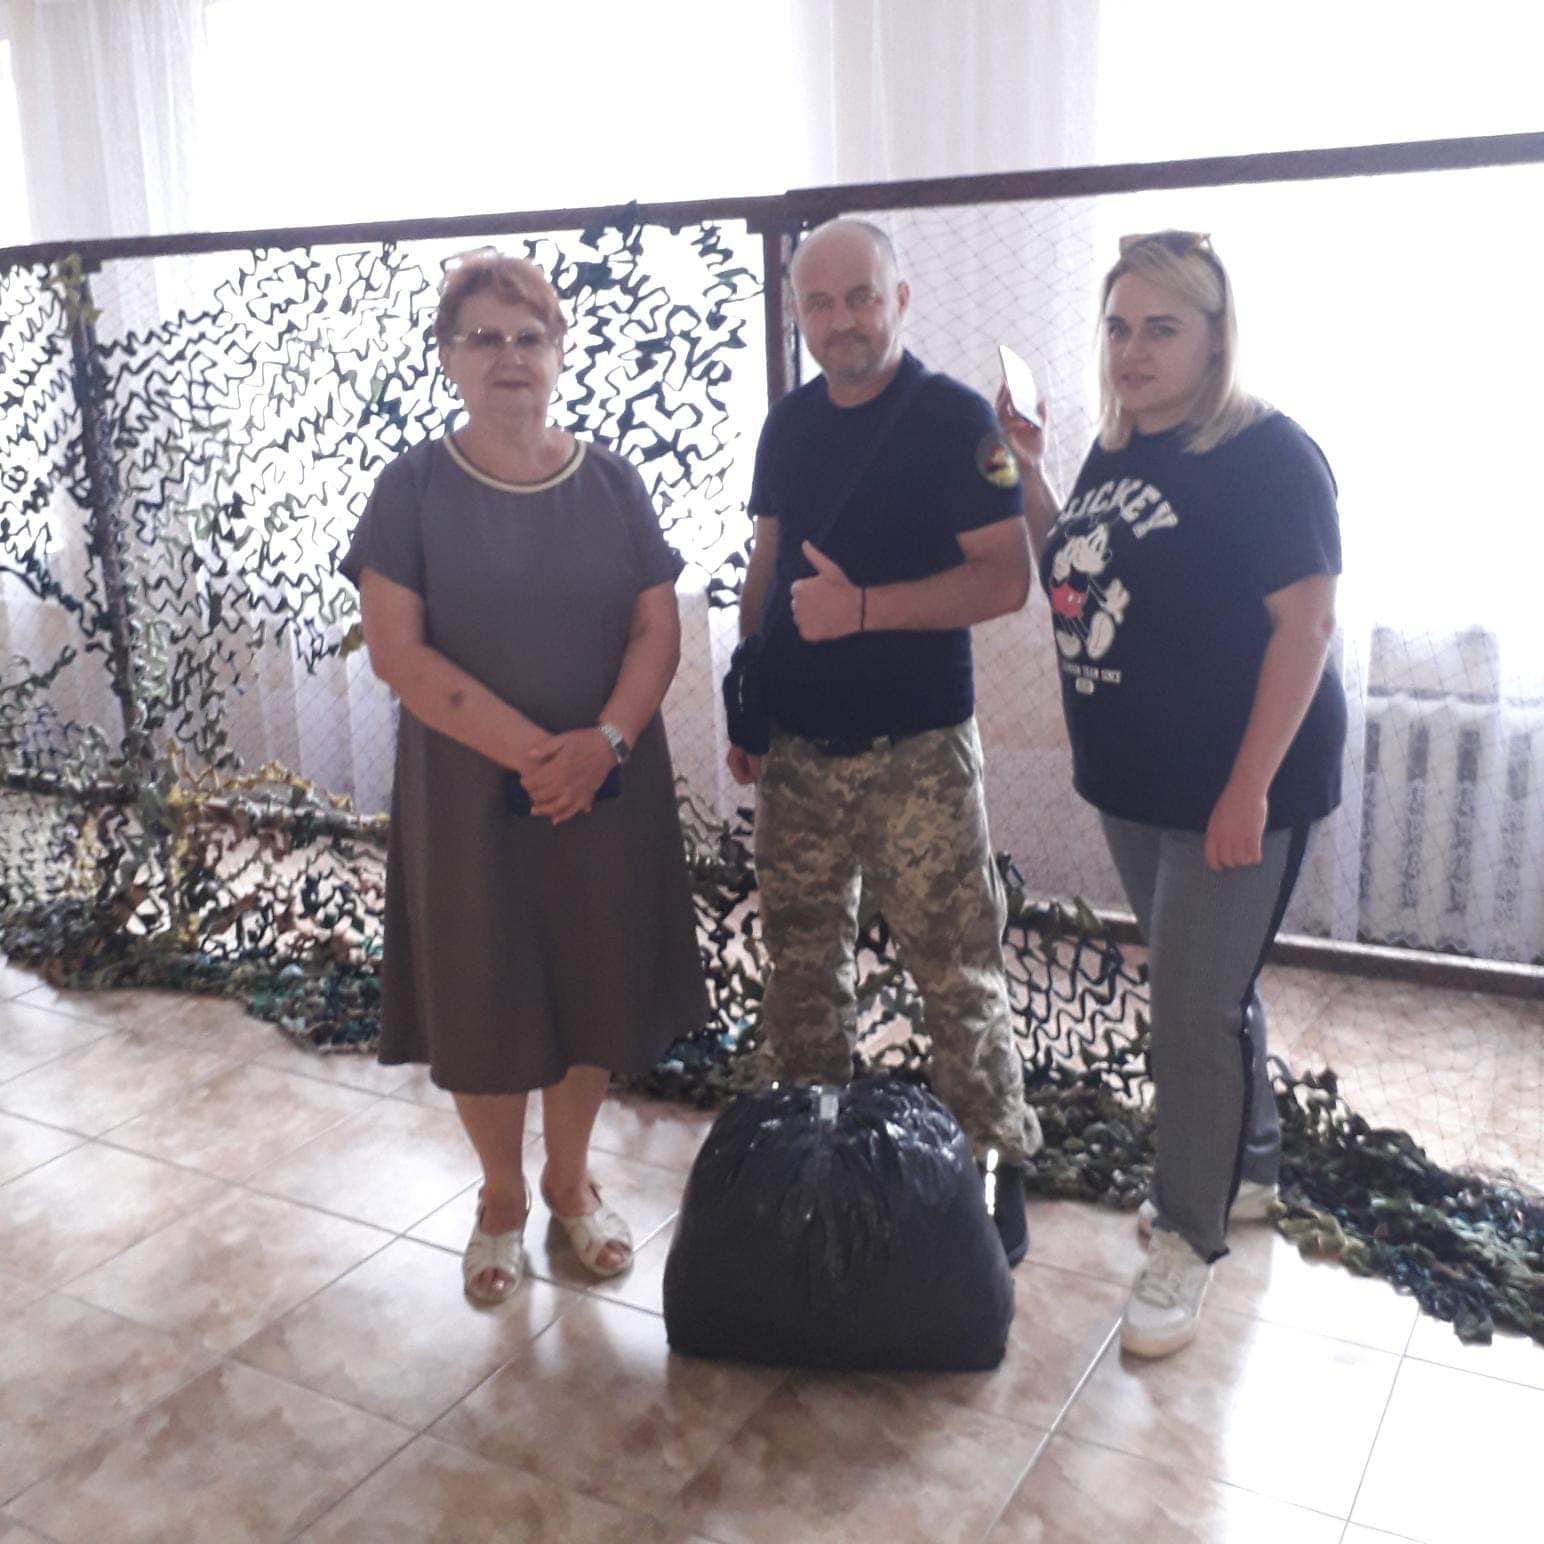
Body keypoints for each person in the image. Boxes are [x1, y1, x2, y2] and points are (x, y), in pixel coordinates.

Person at [998, 230, 1347, 1356]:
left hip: (1233, 785)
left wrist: (1247, 790)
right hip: (1136, 781)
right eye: (1117, 327)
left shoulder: (1267, 454)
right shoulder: (1118, 449)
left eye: (1161, 328)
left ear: (1213, 336)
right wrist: (1035, 474)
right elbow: (1073, 573)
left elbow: (1307, 628)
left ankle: (1188, 1237)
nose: (1132, 350)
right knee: (1208, 987)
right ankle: (1248, 1170)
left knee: (1189, 1010)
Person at [342, 250, 707, 1305]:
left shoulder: (612, 481)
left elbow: (656, 627)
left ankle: (568, 1179)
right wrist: (542, 759)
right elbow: (398, 652)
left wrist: (604, 745)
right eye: (484, 338)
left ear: (558, 352)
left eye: (528, 336)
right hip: (472, 800)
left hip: (605, 789)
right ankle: (501, 1194)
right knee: (486, 991)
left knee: (592, 983)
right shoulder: (411, 488)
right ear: (448, 357)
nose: (509, 356)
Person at [728, 217, 1042, 1265]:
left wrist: (862, 611)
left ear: (899, 298)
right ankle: (807, 1157)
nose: (841, 321)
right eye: (818, 303)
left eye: (860, 296)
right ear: (796, 313)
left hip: (918, 751)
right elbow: (767, 568)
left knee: (955, 973)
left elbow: (1005, 579)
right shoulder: (787, 425)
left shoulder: (954, 421)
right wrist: (749, 704)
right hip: (800, 750)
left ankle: (990, 1171)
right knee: (800, 969)